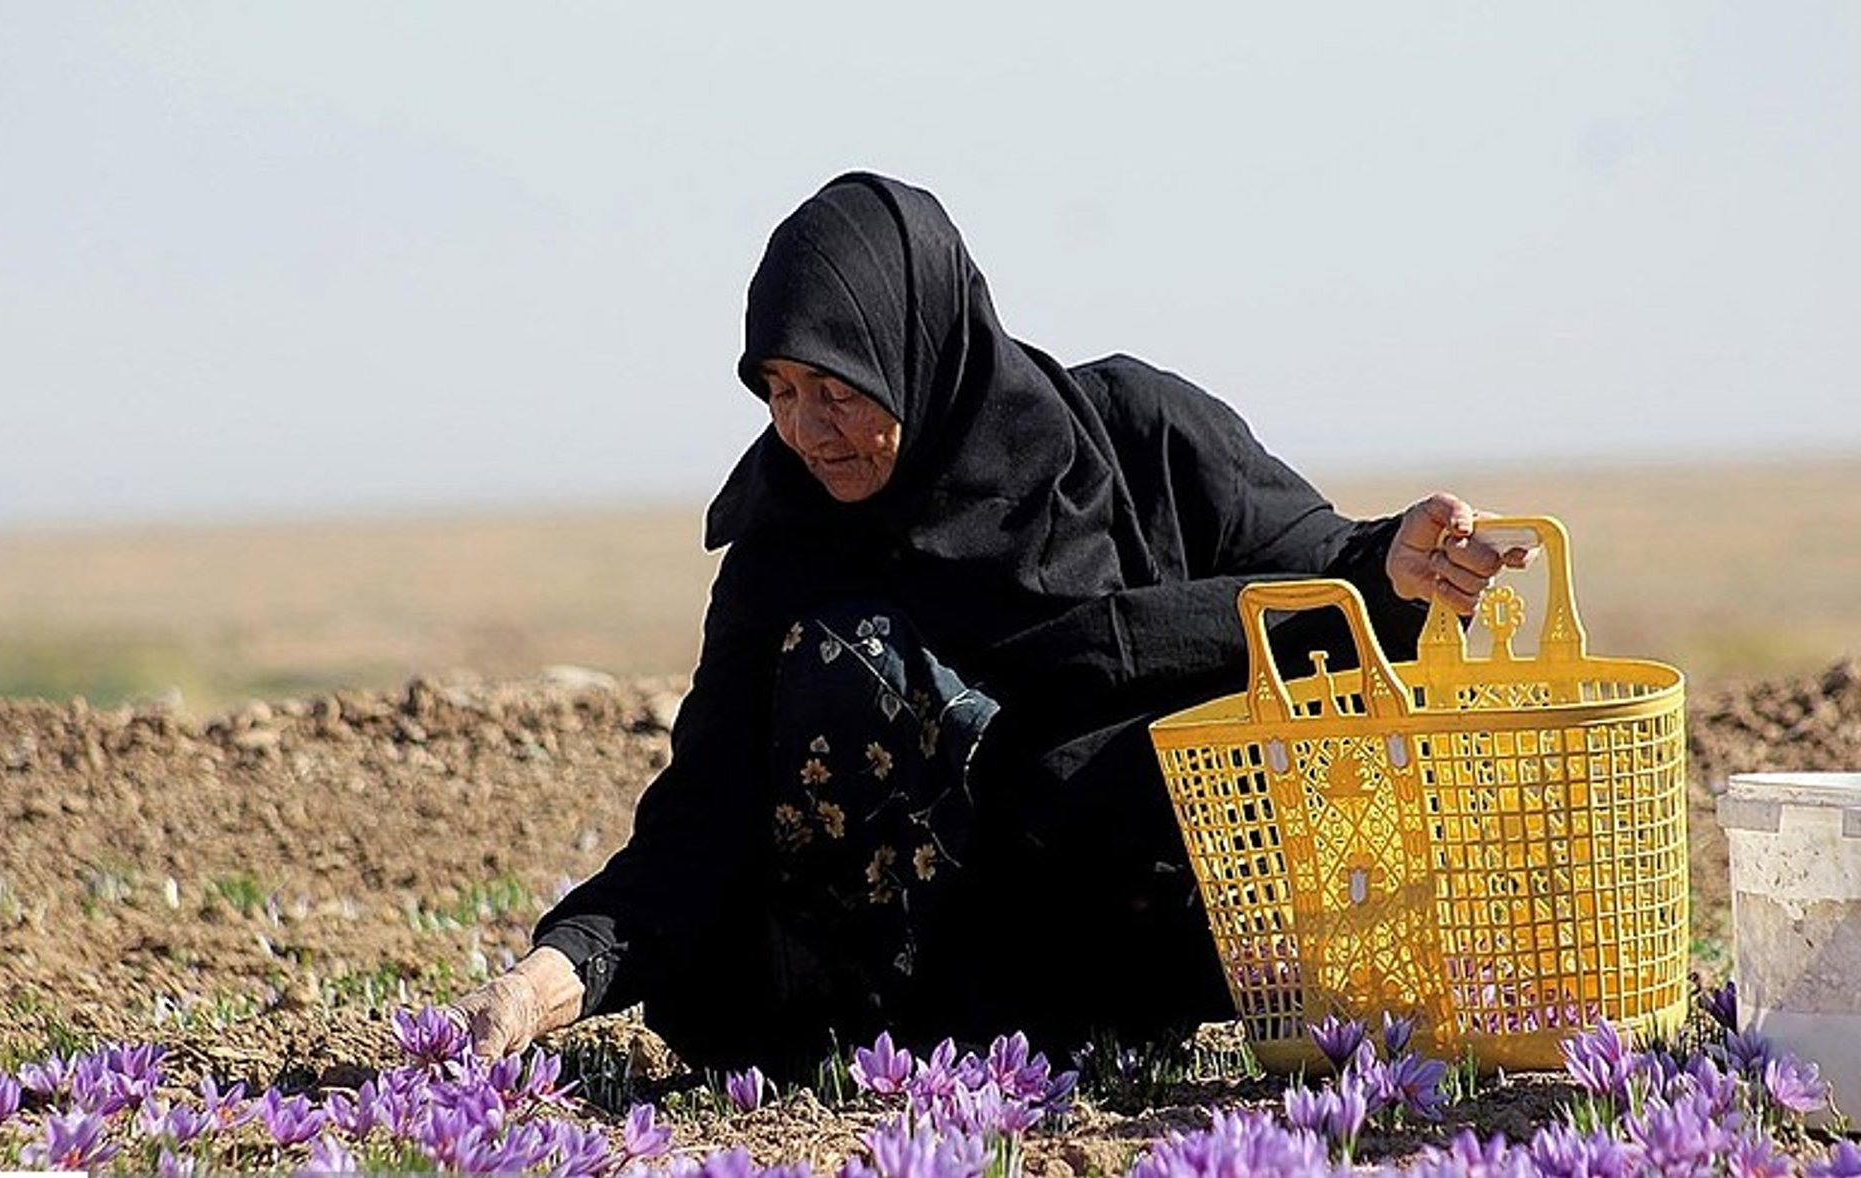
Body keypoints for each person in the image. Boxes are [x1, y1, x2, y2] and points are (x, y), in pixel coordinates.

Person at [450, 172, 1525, 1072]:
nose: (804, 429)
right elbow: (703, 807)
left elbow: (1322, 572)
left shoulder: (1139, 437)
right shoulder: (789, 544)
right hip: (922, 1001)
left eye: (837, 387)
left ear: (920, 347)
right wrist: (551, 980)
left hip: (1176, 938)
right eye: (776, 389)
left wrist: (1399, 562)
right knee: (848, 659)